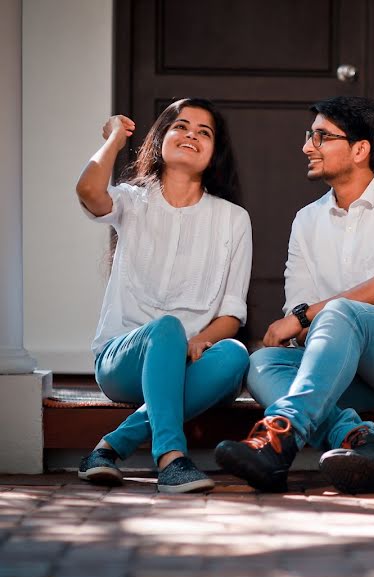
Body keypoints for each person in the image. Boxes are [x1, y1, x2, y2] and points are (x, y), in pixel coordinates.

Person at [215, 96, 374, 494]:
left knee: (340, 312)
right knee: (263, 362)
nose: (306, 146)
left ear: (360, 149)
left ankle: (279, 437)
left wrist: (308, 316)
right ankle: (365, 444)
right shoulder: (307, 219)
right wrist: (305, 319)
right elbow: (298, 315)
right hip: (353, 367)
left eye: (321, 136)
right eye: (309, 135)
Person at [75, 98, 252, 493]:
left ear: (214, 152)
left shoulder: (233, 219)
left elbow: (231, 314)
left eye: (204, 133)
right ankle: (171, 458)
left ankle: (109, 447)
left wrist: (203, 340)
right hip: (122, 365)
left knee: (236, 354)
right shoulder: (131, 201)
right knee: (165, 329)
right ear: (160, 140)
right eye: (181, 126)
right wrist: (115, 139)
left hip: (189, 364)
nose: (191, 135)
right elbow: (87, 188)